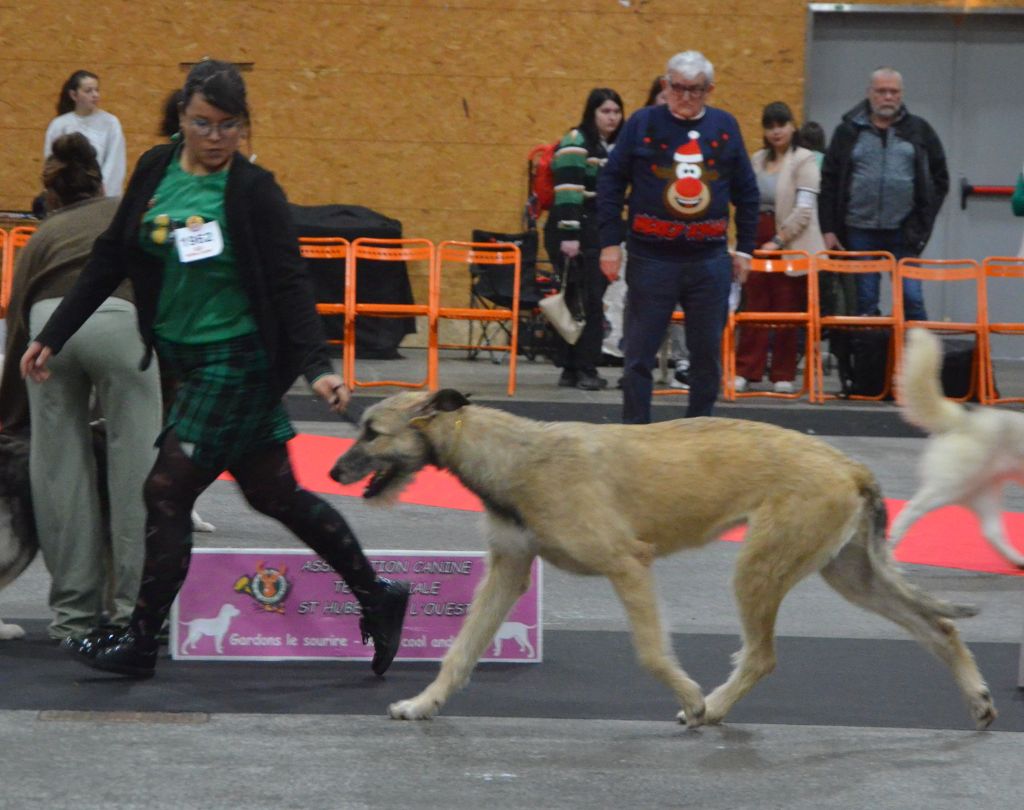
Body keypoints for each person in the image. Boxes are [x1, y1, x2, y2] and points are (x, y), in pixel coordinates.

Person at [22, 59, 409, 679]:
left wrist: (317, 366)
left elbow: (289, 283)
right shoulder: (154, 170)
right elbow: (112, 254)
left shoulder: (255, 191)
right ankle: (378, 594)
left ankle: (140, 643)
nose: (215, 137)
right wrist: (55, 332)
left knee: (164, 491)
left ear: (243, 126)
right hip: (181, 359)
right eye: (203, 123)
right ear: (181, 118)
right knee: (273, 492)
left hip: (239, 360)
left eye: (229, 126)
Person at [0, 133, 163, 641]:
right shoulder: (126, 211)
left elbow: (19, 322)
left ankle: (72, 619)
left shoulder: (44, 233)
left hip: (53, 329)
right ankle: (133, 614)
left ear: (52, 196)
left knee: (60, 479)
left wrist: (8, 416)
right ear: (102, 182)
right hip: (123, 324)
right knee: (137, 478)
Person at [597, 50, 758, 423]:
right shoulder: (642, 123)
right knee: (638, 356)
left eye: (696, 90)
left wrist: (746, 250)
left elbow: (747, 193)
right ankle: (635, 433)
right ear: (666, 86)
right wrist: (609, 242)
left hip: (709, 261)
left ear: (710, 90)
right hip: (651, 259)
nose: (686, 97)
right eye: (679, 88)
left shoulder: (725, 126)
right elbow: (610, 182)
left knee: (706, 358)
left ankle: (698, 433)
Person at [818, 67, 949, 321]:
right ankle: (871, 360)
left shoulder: (919, 131)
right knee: (864, 303)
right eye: (881, 91)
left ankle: (918, 360)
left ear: (901, 95)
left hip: (905, 231)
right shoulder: (847, 132)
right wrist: (829, 228)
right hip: (858, 229)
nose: (888, 97)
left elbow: (940, 179)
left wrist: (924, 220)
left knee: (912, 298)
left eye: (893, 92)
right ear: (869, 94)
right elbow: (830, 181)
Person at [733, 102, 824, 394]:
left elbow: (804, 210)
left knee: (787, 307)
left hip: (792, 241)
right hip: (756, 235)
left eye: (781, 125)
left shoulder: (805, 160)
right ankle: (747, 370)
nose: (776, 132)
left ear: (792, 126)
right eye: (770, 126)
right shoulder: (757, 159)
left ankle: (783, 373)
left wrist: (779, 240)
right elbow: (745, 197)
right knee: (755, 306)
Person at [544, 88, 624, 390]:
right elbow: (567, 191)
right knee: (584, 302)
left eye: (616, 111)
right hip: (574, 228)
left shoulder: (609, 147)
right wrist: (570, 235)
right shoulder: (577, 142)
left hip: (594, 228)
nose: (612, 117)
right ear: (592, 113)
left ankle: (572, 368)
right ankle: (583, 368)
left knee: (581, 301)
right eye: (605, 111)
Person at [44, 71, 126, 198]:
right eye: (88, 91)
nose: (95, 95)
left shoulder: (111, 123)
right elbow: (52, 162)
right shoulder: (59, 124)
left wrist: (101, 191)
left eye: (96, 90)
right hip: (67, 196)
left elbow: (115, 162)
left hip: (99, 196)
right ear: (73, 95)